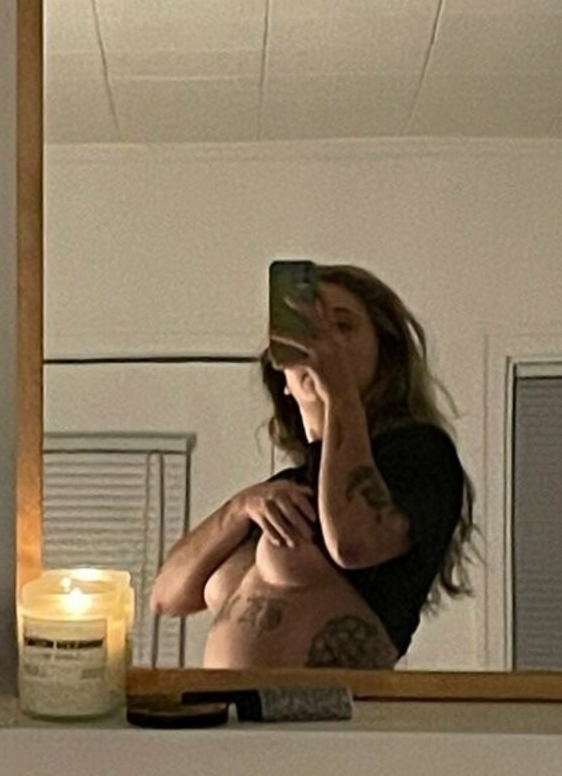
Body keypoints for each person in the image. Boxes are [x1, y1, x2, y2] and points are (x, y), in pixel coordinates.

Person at [149, 264, 478, 669]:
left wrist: (339, 390)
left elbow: (353, 543)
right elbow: (167, 597)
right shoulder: (284, 490)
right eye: (305, 330)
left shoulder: (419, 452)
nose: (322, 345)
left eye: (342, 326)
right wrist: (238, 508)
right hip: (226, 706)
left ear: (386, 358)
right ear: (282, 375)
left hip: (327, 706)